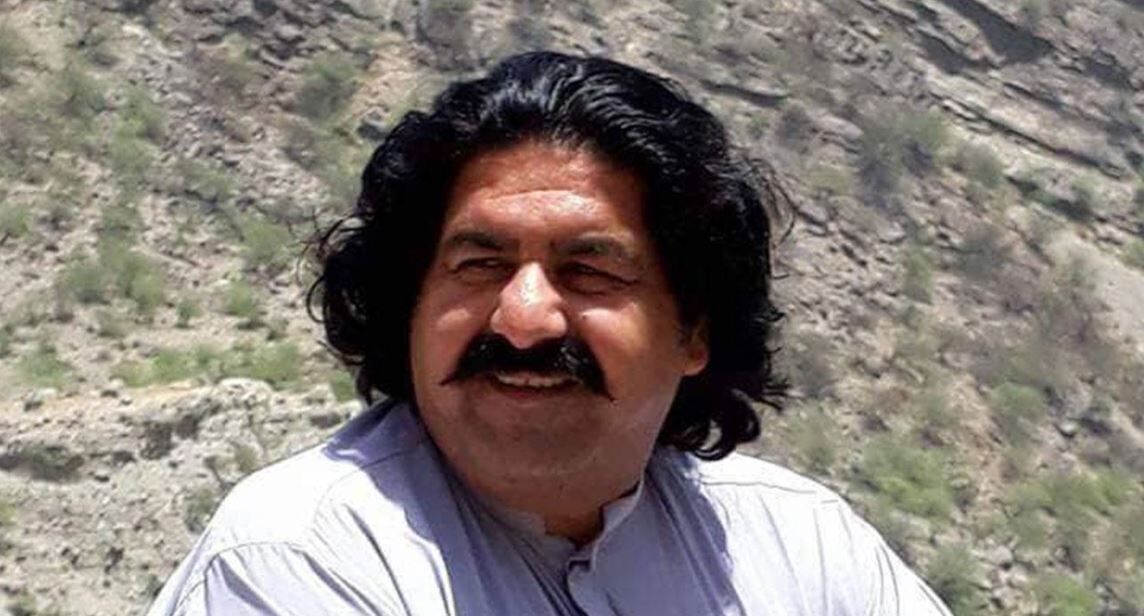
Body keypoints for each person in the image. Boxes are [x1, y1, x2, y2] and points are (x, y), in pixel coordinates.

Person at [148, 51, 951, 615]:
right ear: (411, 303)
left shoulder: (800, 547)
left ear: (694, 330)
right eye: (479, 264)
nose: (525, 317)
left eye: (590, 271)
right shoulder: (303, 557)